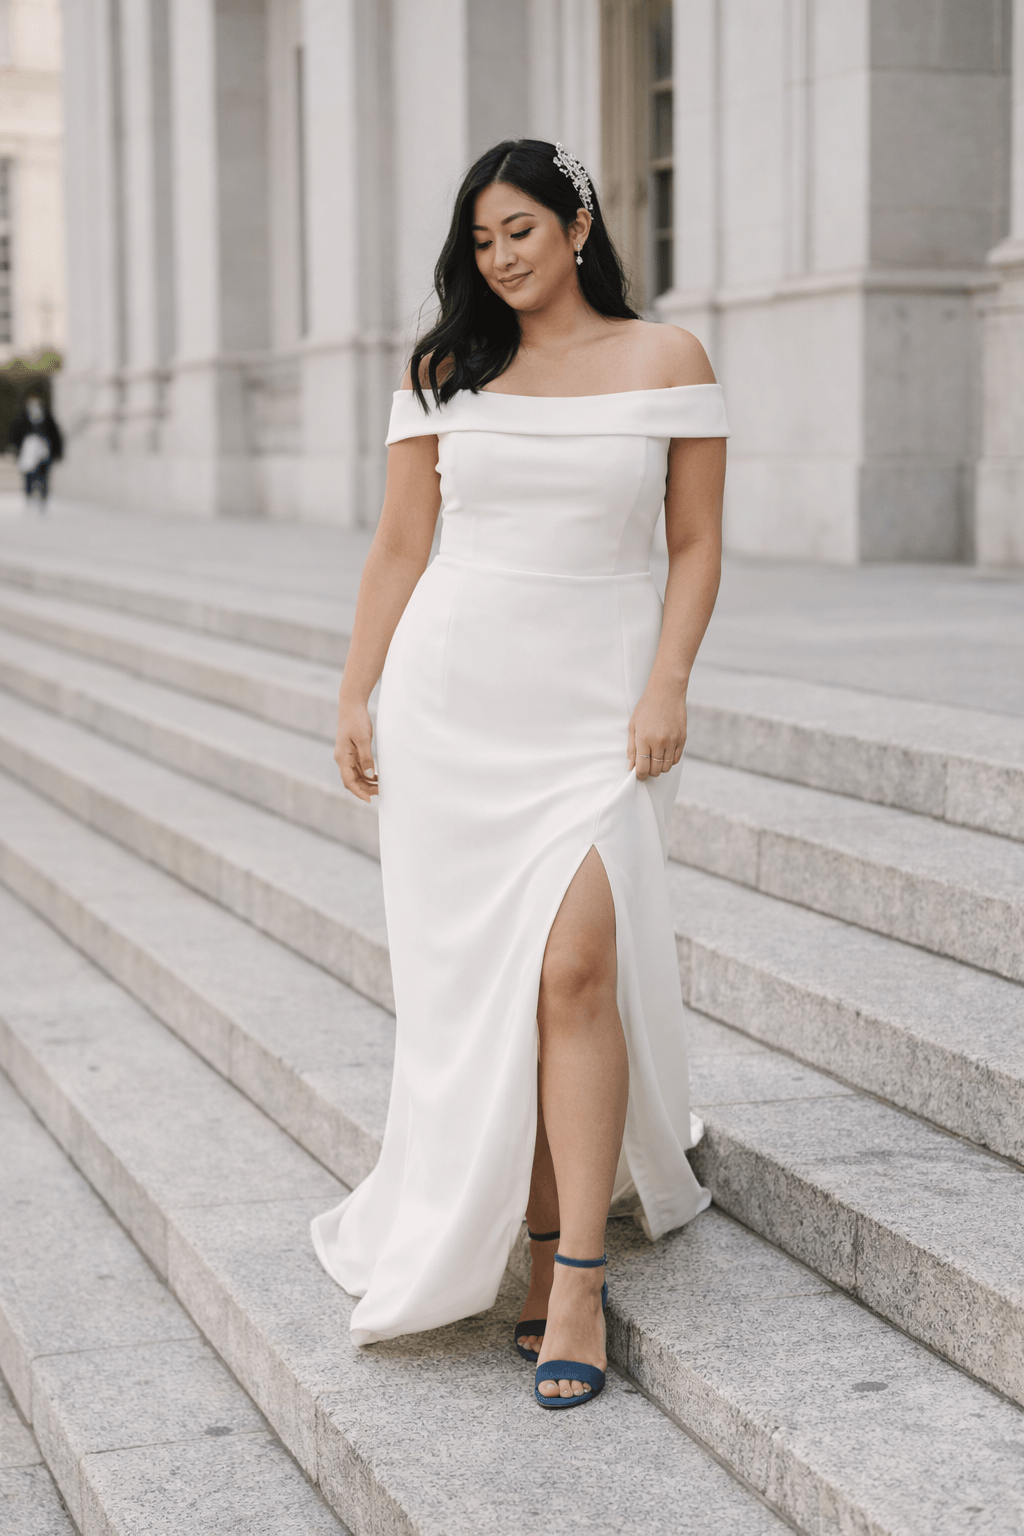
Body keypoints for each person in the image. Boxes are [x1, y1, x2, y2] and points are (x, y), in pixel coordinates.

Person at [312, 138, 728, 1410]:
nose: (499, 259)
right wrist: (353, 688)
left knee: (575, 965)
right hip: (454, 702)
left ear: (579, 226)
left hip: (596, 710)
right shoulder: (447, 370)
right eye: (481, 241)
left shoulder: (669, 360)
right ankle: (547, 1253)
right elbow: (400, 542)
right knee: (498, 991)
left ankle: (581, 1285)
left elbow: (698, 541)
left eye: (521, 233)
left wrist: (668, 684)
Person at [9, 389, 63, 509]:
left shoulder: (46, 417)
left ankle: (42, 499)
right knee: (29, 477)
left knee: (43, 477)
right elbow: (16, 434)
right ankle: (29, 498)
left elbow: (55, 435)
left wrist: (57, 452)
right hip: (28, 452)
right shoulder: (23, 417)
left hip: (43, 452)